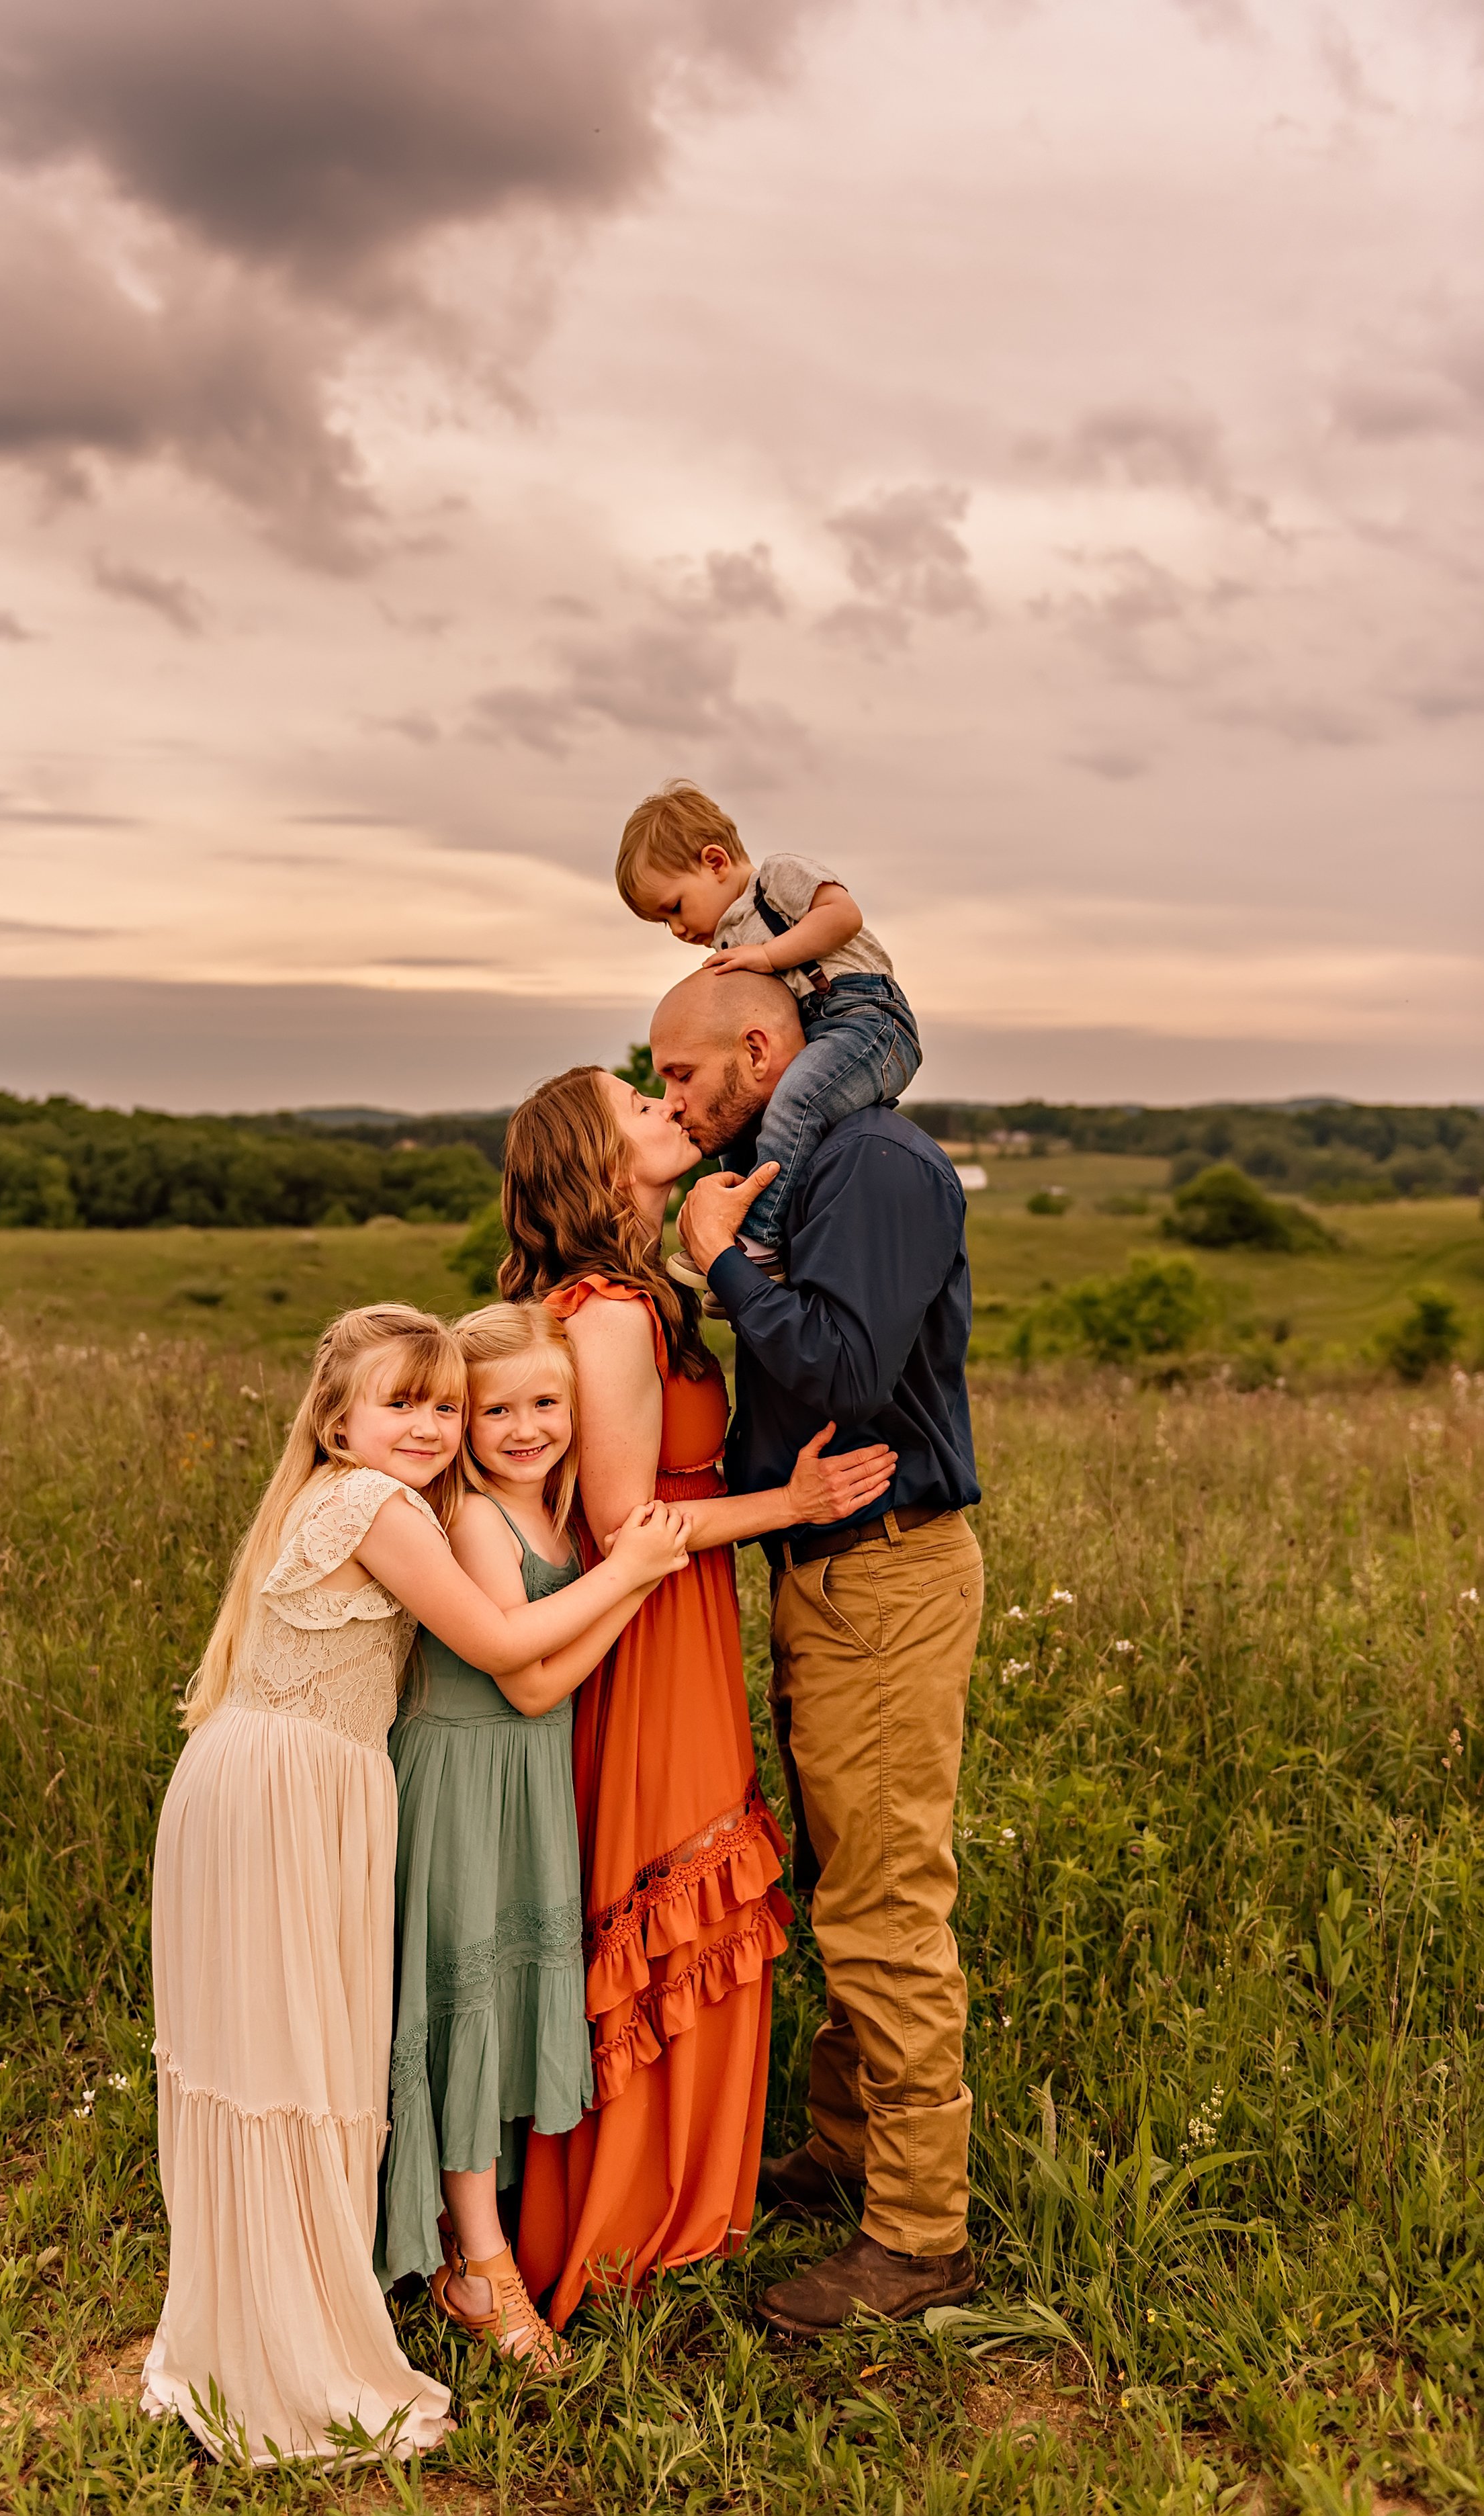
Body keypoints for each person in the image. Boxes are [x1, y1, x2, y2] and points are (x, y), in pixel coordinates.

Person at [142, 1302, 687, 2463]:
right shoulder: (373, 1503)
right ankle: (285, 2342)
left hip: (284, 1780)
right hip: (285, 1794)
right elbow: (501, 1651)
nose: (434, 1426)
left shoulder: (366, 1498)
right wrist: (637, 1566)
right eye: (403, 1404)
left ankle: (279, 2297)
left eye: (446, 1404)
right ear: (337, 1420)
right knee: (289, 2062)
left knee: (288, 2056)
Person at [503, 1068, 899, 2329]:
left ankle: (666, 2197)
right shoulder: (610, 1312)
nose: (662, 1103)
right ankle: (637, 2215)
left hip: (675, 1611)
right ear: (594, 1161)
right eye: (636, 1103)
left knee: (678, 1878)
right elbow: (629, 1522)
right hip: (652, 1615)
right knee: (670, 1879)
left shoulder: (633, 1292)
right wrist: (789, 1505)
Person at [655, 968, 986, 2339]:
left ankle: (916, 2236)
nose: (673, 1099)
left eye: (678, 1075)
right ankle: (847, 2145)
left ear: (754, 1045)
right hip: (833, 1571)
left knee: (886, 1897)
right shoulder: (801, 1166)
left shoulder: (878, 1163)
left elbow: (849, 1369)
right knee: (846, 1867)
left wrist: (720, 1264)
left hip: (888, 1568)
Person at [385, 1301, 664, 2371]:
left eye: (546, 1402)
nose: (523, 1427)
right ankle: (479, 2271)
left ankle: (476, 2230)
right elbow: (534, 1683)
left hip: (525, 1786)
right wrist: (630, 1582)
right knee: (465, 2003)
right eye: (494, 1409)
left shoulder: (555, 1516)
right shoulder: (473, 1521)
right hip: (463, 1777)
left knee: (500, 1995)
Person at [614, 779, 920, 1287]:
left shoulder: (776, 880)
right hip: (818, 1032)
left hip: (868, 1019)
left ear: (714, 861)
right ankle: (728, 1228)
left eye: (673, 907)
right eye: (661, 922)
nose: (677, 930)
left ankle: (758, 1245)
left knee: (797, 1098)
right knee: (734, 1123)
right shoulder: (731, 936)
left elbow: (844, 915)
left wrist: (769, 955)